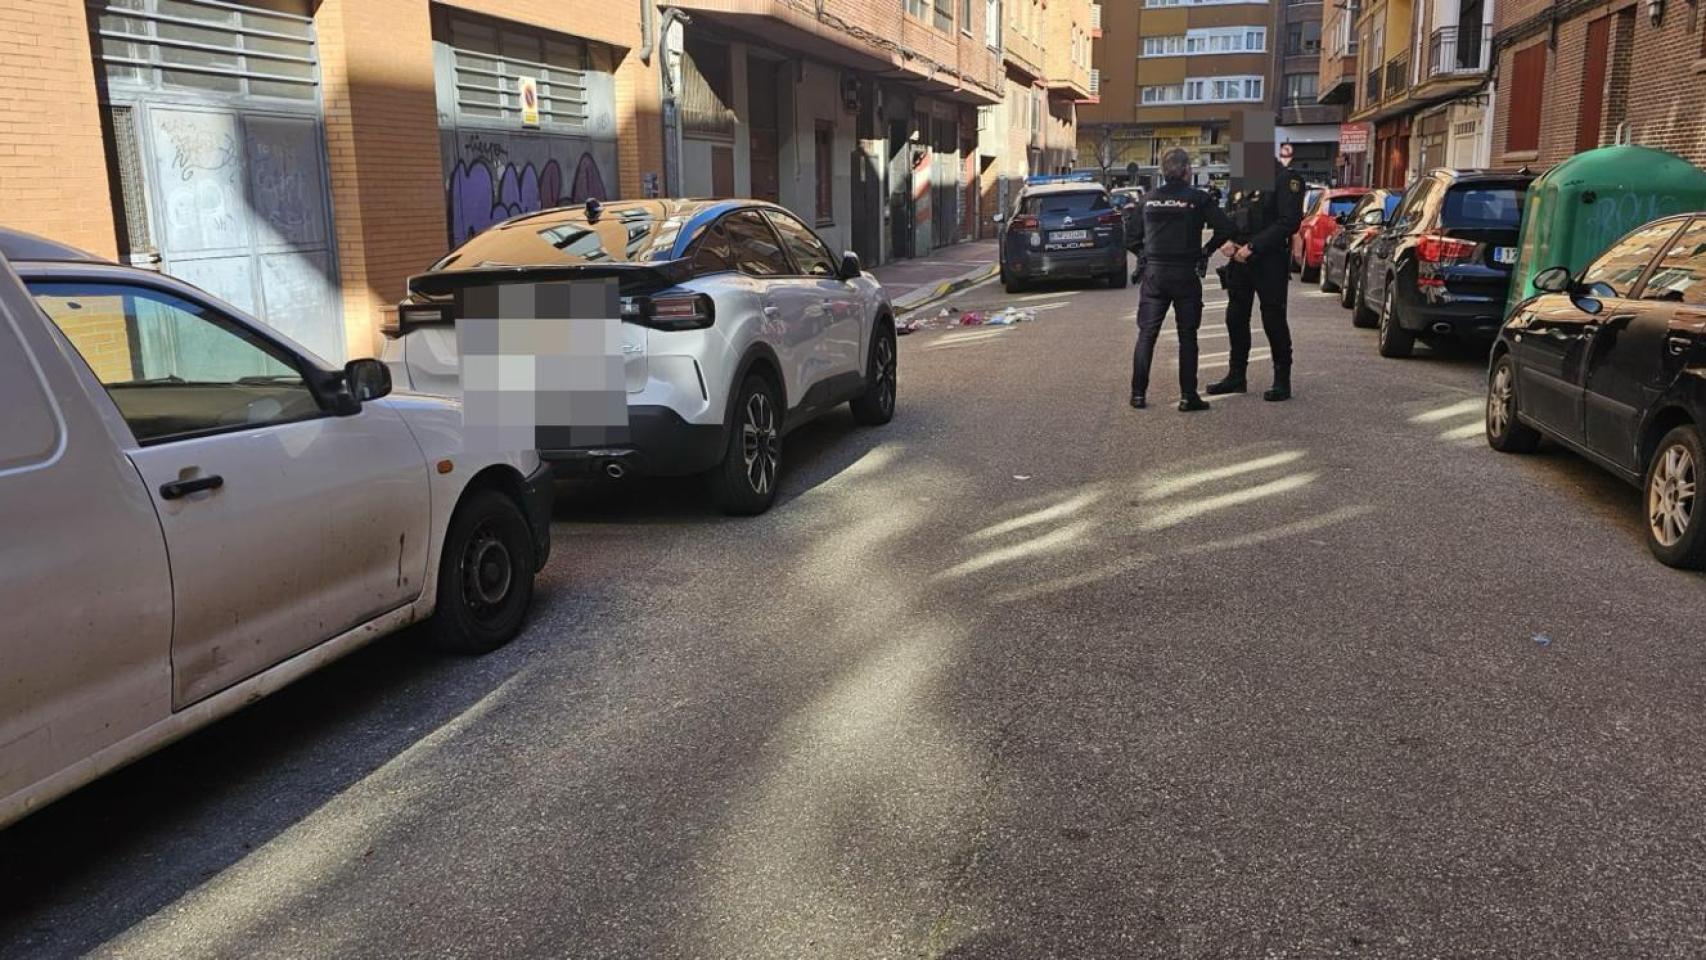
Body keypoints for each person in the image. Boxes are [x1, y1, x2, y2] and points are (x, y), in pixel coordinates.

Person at [1127, 147, 1237, 412]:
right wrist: (1206, 252)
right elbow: (1226, 228)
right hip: (1185, 273)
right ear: (1187, 171)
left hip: (1154, 274)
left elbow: (1130, 238)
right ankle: (1188, 396)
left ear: (1163, 173)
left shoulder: (1148, 199)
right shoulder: (1197, 199)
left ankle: (1138, 394)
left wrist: (1145, 256)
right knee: (1187, 336)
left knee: (1147, 335)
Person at [1205, 153, 1306, 402]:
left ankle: (1282, 380)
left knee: (1273, 319)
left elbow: (1289, 222)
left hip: (1268, 259)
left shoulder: (1286, 179)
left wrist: (1253, 247)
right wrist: (1225, 241)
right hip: (1239, 260)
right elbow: (1229, 217)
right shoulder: (1241, 181)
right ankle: (1236, 375)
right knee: (1235, 317)